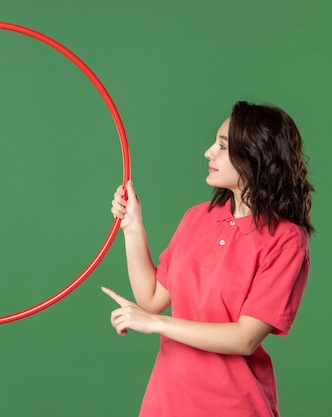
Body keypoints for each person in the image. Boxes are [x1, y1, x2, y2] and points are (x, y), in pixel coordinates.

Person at [103, 101, 314, 417]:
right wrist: (133, 227)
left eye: (222, 146)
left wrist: (156, 324)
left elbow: (245, 338)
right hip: (165, 404)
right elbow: (150, 299)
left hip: (233, 407)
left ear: (254, 157)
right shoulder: (197, 218)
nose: (208, 152)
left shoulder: (286, 240)